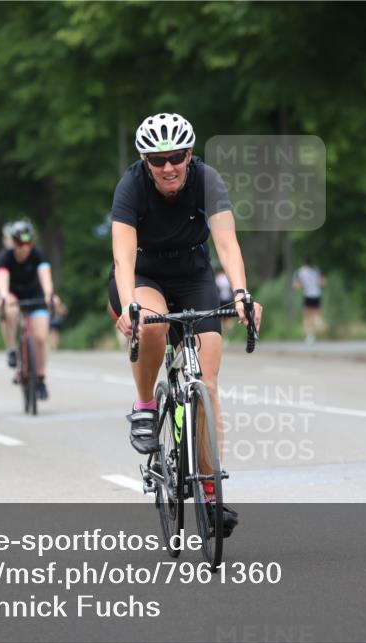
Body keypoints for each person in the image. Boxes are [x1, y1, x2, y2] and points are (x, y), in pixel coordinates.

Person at [108, 112, 263, 536]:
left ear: (190, 155)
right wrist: (128, 307)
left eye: (176, 157)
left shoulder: (207, 180)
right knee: (154, 325)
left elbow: (227, 244)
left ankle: (211, 495)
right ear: (145, 162)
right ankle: (145, 405)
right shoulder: (132, 186)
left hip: (193, 276)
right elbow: (122, 256)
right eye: (157, 160)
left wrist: (241, 294)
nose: (168, 167)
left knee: (207, 388)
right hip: (143, 276)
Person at [0, 219, 54, 400]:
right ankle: (12, 348)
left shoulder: (37, 254)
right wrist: (3, 296)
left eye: (28, 243)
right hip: (14, 294)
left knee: (41, 337)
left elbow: (45, 275)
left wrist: (49, 294)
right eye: (20, 243)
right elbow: (2, 280)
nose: (24, 248)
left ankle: (41, 377)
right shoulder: (5, 257)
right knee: (8, 308)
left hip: (35, 294)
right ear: (13, 243)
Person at [293, 258, 326, 344]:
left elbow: (297, 284)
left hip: (307, 295)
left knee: (307, 317)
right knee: (316, 314)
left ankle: (310, 335)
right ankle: (319, 323)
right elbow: (323, 282)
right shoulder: (316, 270)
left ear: (304, 263)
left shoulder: (301, 271)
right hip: (317, 295)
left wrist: (299, 285)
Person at [214, 268, 234, 336]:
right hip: (228, 299)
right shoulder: (228, 277)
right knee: (228, 317)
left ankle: (223, 332)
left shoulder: (218, 278)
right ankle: (228, 332)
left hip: (221, 299)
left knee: (221, 317)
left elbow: (216, 289)